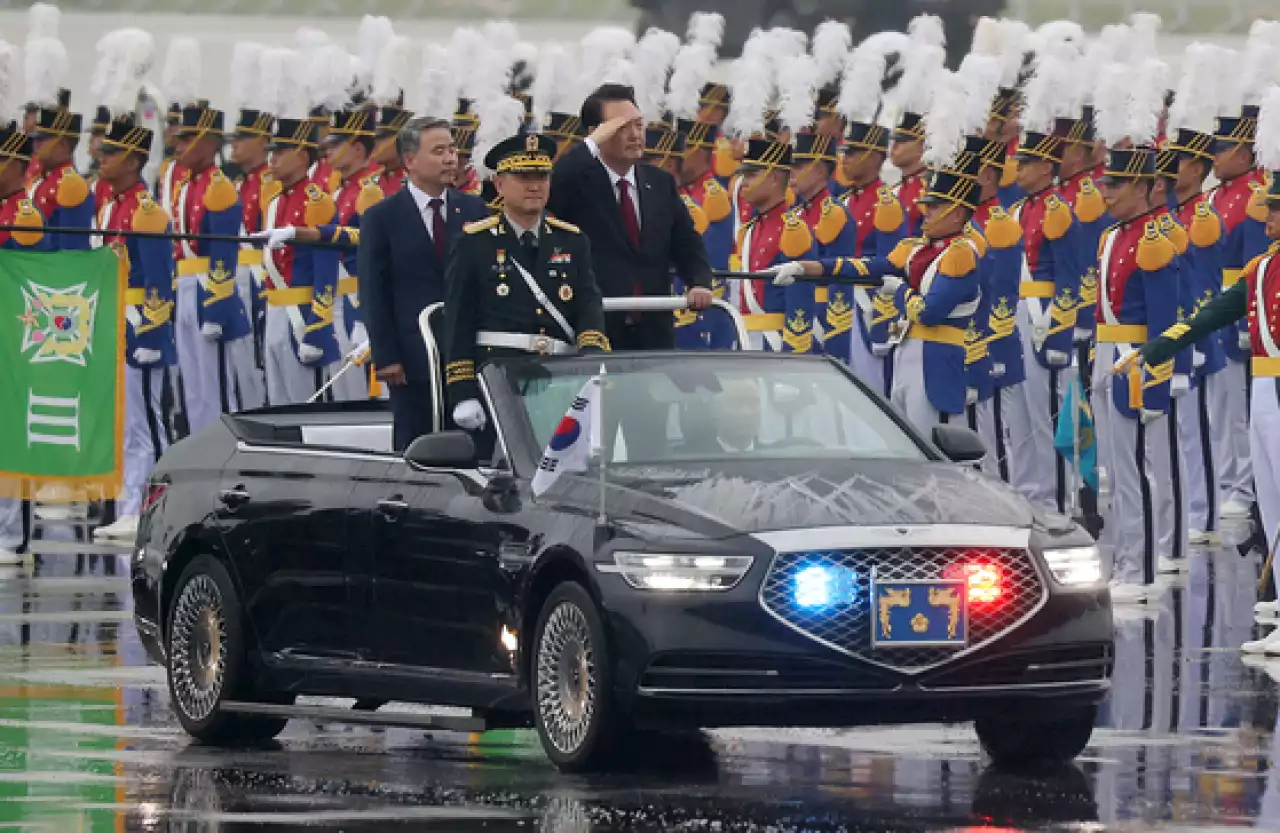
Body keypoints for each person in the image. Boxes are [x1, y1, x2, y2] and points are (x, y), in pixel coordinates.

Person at [773, 150, 983, 435]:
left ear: (957, 213)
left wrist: (899, 291)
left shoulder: (960, 255)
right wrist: (806, 267)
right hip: (905, 355)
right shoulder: (914, 249)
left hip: (937, 361)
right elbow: (865, 267)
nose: (925, 211)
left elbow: (929, 312)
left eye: (934, 207)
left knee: (937, 445)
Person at [443, 133, 609, 451]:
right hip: (500, 375)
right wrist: (462, 392)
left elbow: (588, 302)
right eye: (523, 177)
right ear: (501, 185)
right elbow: (458, 320)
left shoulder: (572, 241)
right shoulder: (474, 243)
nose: (535, 185)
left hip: (560, 376)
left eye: (542, 176)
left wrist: (592, 353)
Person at [355, 116, 487, 450]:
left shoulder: (474, 209)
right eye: (439, 151)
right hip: (412, 358)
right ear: (410, 161)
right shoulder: (382, 217)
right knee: (417, 443)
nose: (450, 159)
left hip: (468, 354)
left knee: (472, 446)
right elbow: (374, 290)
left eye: (453, 150)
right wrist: (385, 355)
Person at [548, 83, 713, 349]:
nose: (635, 135)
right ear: (597, 133)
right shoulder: (577, 181)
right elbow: (556, 180)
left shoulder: (659, 182)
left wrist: (699, 282)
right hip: (597, 327)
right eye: (622, 127)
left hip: (653, 329)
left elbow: (686, 243)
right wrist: (590, 145)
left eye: (638, 125)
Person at [91, 113, 178, 543]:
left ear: (133, 159)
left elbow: (161, 278)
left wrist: (152, 335)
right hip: (116, 321)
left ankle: (153, 509)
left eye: (111, 152)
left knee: (148, 425)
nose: (102, 158)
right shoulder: (112, 205)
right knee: (125, 425)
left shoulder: (147, 211)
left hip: (141, 326)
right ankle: (127, 507)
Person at [170, 100, 254, 432]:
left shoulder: (219, 189)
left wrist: (216, 309)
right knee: (194, 386)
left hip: (209, 290)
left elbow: (224, 253)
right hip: (188, 285)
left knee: (217, 387)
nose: (177, 143)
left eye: (186, 137)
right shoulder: (187, 186)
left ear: (207, 143)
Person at [256, 114, 342, 405]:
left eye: (281, 152)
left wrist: (318, 328)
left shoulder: (317, 202)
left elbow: (326, 271)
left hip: (302, 316)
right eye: (272, 152)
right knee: (279, 402)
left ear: (303, 156)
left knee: (307, 405)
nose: (273, 159)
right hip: (276, 311)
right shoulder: (275, 201)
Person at [0, 122, 45, 564]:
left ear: (15, 164)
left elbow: (34, 278)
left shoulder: (25, 214)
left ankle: (15, 536)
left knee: (13, 432)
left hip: (14, 331)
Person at [324, 103, 384, 401]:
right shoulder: (340, 189)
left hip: (358, 301)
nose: (328, 151)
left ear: (358, 148)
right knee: (343, 393)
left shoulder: (371, 189)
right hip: (337, 301)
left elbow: (376, 256)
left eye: (337, 144)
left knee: (364, 395)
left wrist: (365, 316)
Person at [230, 103, 274, 411]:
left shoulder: (269, 185)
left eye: (243, 138)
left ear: (261, 141)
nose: (234, 144)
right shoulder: (239, 185)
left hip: (261, 281)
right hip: (240, 280)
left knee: (260, 366)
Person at [27, 89, 93, 251]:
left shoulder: (71, 185)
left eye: (42, 140)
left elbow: (71, 250)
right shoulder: (42, 178)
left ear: (62, 145)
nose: (35, 145)